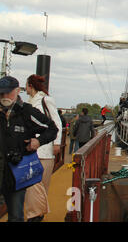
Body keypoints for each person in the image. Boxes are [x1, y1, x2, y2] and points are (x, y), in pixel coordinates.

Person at [0, 76, 57, 222]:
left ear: (18, 91)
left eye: (8, 92)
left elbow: (52, 128)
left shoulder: (26, 112)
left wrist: (38, 141)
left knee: (15, 215)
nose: (5, 96)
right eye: (1, 93)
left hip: (16, 173)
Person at [24, 74, 63, 222]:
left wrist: (57, 143)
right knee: (34, 186)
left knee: (39, 185)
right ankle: (35, 214)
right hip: (33, 149)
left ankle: (36, 215)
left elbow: (56, 122)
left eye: (26, 85)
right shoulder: (31, 102)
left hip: (45, 149)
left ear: (30, 86)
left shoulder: (46, 100)